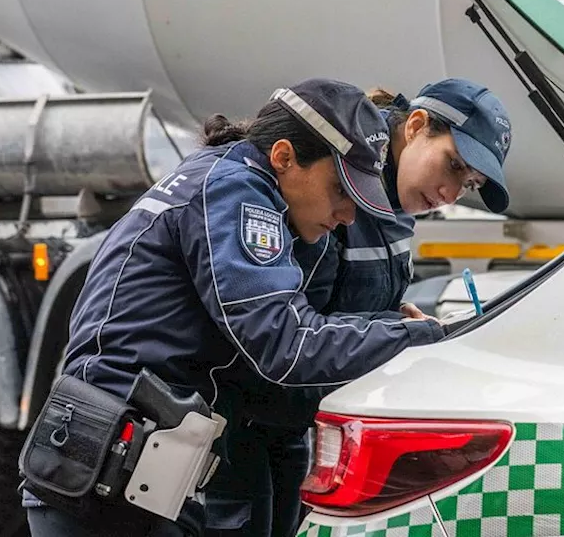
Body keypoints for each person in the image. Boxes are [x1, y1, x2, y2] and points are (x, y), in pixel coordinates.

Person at [23, 78, 447, 537]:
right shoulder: (235, 192)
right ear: (284, 157)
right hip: (110, 482)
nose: (348, 215)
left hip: (123, 467)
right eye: (341, 191)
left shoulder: (226, 176)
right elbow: (285, 345)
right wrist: (417, 337)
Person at [203, 78, 513, 537]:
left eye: (467, 184)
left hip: (303, 430)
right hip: (240, 432)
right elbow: (282, 330)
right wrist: (406, 337)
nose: (451, 192)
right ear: (417, 126)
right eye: (453, 165)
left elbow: (352, 309)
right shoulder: (321, 187)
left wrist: (396, 326)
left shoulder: (401, 207)